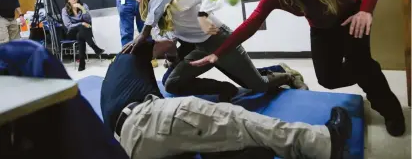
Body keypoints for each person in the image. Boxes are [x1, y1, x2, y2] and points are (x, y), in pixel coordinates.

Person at [190, 0, 405, 137]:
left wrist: (366, 11)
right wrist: (218, 53)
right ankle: (367, 68)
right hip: (321, 31)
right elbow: (251, 24)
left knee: (363, 66)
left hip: (350, 19)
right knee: (328, 80)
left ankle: (391, 112)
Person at [101, 39, 352, 159]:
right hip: (144, 121)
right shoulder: (133, 54)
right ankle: (323, 142)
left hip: (129, 145)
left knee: (204, 137)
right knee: (235, 118)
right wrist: (162, 45)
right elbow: (163, 45)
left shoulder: (116, 75)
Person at [123, 0, 308, 102]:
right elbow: (169, 40)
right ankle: (227, 89)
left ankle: (287, 74)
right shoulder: (157, 13)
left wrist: (203, 16)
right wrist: (169, 57)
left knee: (257, 85)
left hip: (219, 40)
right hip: (200, 47)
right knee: (171, 83)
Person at [62, 0, 104, 71]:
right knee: (81, 28)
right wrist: (81, 24)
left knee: (80, 35)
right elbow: (68, 25)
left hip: (83, 32)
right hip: (72, 32)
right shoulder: (64, 10)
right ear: (68, 0)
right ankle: (95, 48)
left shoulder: (84, 5)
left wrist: (82, 9)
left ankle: (82, 62)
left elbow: (88, 19)